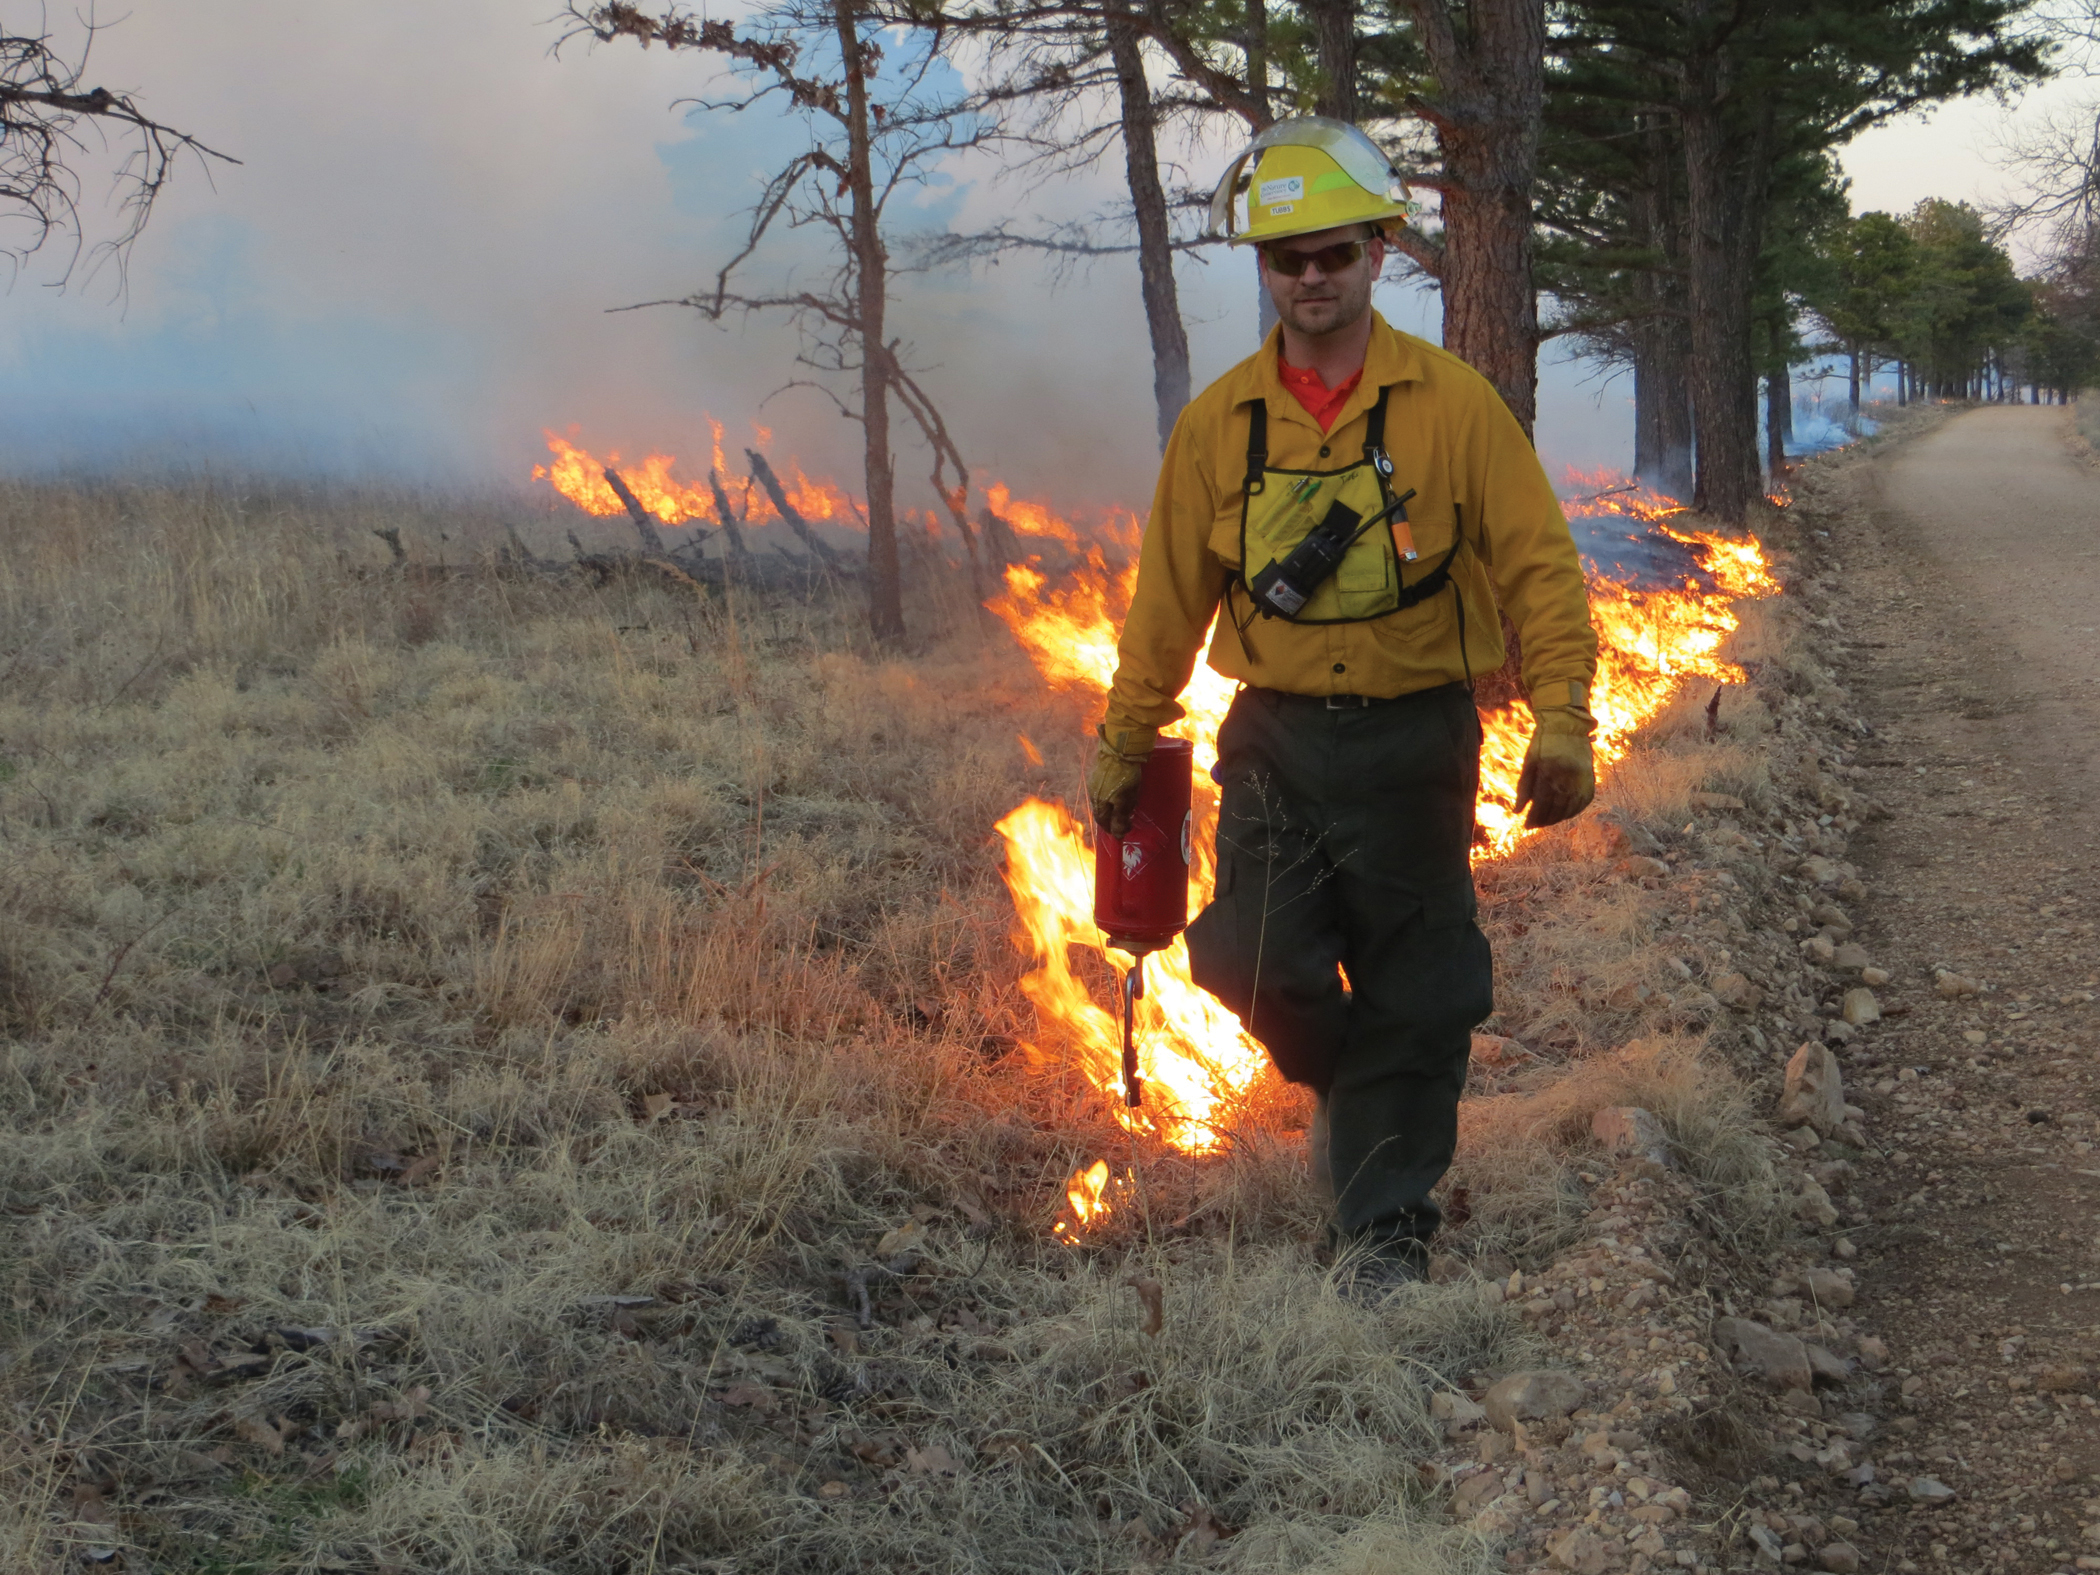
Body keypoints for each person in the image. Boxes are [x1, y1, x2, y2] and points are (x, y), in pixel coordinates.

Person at [1087, 117, 1601, 1288]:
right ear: (1264, 271)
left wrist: (1564, 718)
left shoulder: (1456, 405)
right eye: (1287, 259)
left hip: (1416, 743)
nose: (1310, 277)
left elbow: (1539, 569)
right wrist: (1126, 737)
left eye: (1333, 253)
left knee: (1422, 985)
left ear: (1378, 252)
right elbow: (1165, 598)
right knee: (1242, 958)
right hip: (1270, 742)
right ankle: (1368, 1084)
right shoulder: (1220, 426)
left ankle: (1381, 1232)